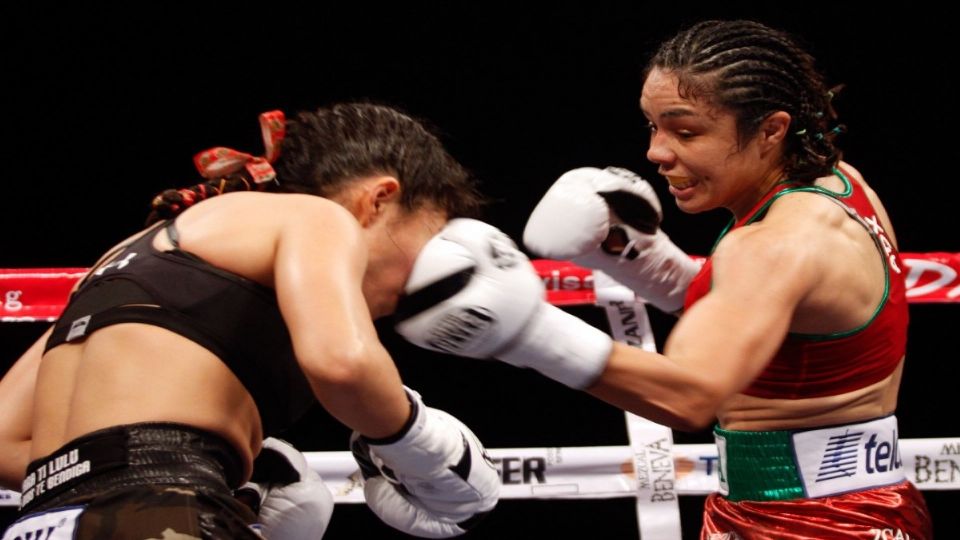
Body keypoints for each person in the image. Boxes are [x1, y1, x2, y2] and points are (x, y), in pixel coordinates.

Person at [394, 20, 933, 539]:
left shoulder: (772, 246)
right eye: (653, 126)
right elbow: (760, 319)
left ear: (771, 129)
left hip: (804, 522)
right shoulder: (839, 185)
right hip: (863, 504)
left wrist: (527, 333)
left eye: (686, 130)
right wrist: (640, 261)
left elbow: (692, 396)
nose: (656, 151)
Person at [0, 103, 500, 539]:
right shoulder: (317, 218)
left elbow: (3, 440)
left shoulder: (126, 253)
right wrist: (422, 444)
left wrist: (228, 473)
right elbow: (342, 364)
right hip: (160, 510)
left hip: (39, 522)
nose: (409, 290)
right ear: (379, 199)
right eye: (425, 246)